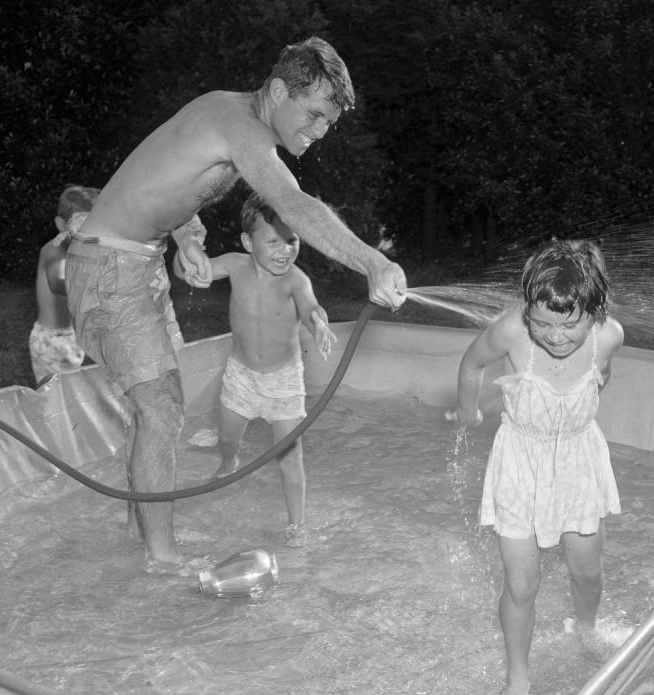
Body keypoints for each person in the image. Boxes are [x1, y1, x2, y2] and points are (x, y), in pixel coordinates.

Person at [64, 37, 407, 571]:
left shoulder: (224, 116)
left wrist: (188, 240)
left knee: (154, 407)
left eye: (329, 123)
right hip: (111, 269)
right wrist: (373, 263)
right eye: (314, 113)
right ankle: (159, 555)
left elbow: (168, 183)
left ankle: (143, 533)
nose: (320, 131)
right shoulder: (239, 123)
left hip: (133, 263)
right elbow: (293, 205)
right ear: (276, 91)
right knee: (160, 409)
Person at [451, 239, 623, 695]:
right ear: (527, 309)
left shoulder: (609, 337)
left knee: (586, 569)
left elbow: (602, 376)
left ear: (595, 310)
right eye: (542, 323)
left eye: (570, 325)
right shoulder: (511, 331)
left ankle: (585, 628)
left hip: (576, 461)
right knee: (522, 584)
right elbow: (471, 362)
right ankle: (518, 675)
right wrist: (468, 410)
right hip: (519, 466)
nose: (556, 336)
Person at [176, 193, 335, 548]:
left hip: (283, 382)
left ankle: (297, 524)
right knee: (229, 435)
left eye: (291, 240)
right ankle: (229, 461)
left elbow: (312, 308)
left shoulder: (296, 280)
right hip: (242, 376)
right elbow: (196, 269)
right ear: (249, 242)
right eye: (273, 241)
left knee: (289, 457)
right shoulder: (235, 265)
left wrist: (319, 325)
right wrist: (187, 255)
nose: (284, 250)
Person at [30, 185, 99, 386]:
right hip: (52, 340)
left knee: (64, 393)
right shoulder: (54, 250)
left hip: (69, 336)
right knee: (60, 394)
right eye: (81, 224)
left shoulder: (81, 246)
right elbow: (60, 284)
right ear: (62, 224)